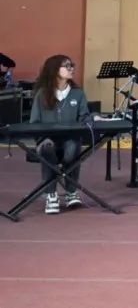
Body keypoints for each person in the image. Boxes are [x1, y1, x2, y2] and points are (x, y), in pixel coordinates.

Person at [29, 55, 90, 214]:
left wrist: (92, 118)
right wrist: (42, 139)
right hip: (47, 140)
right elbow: (34, 123)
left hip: (70, 140)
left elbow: (84, 117)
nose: (71, 68)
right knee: (47, 148)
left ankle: (71, 192)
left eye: (72, 65)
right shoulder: (42, 94)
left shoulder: (78, 94)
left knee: (73, 146)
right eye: (67, 66)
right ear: (55, 70)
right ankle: (51, 195)